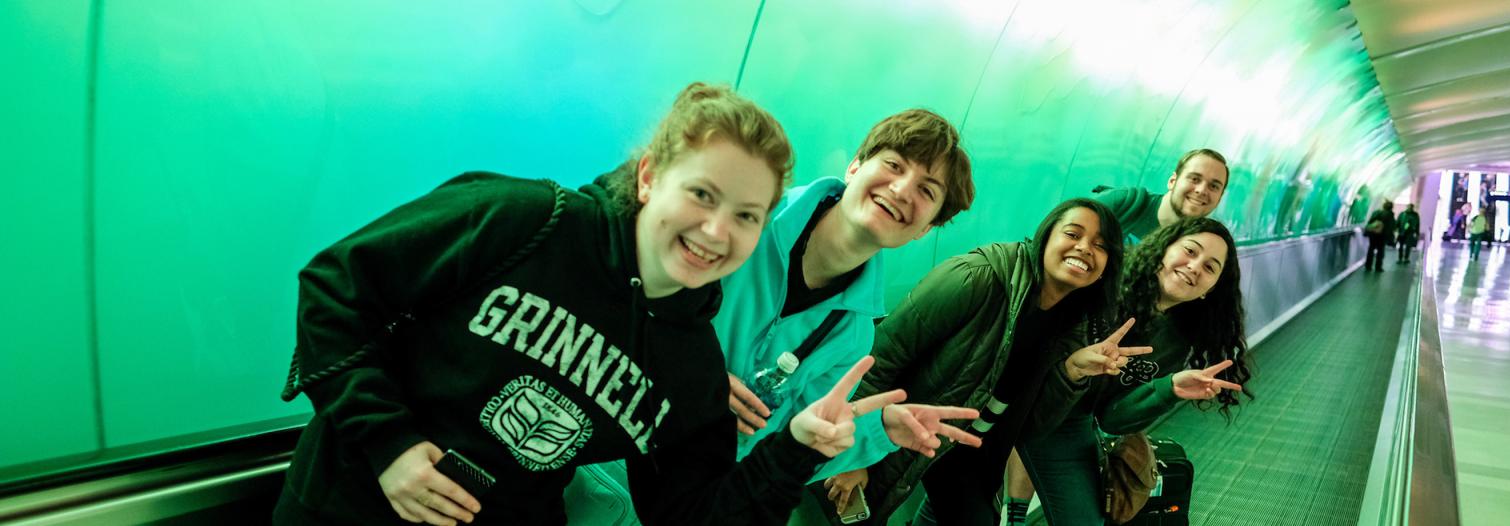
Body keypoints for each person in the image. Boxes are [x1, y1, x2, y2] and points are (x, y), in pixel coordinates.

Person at [273, 82, 908, 526]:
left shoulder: (690, 368)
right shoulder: (526, 222)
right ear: (649, 176)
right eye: (702, 194)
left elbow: (691, 515)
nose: (717, 232)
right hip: (345, 502)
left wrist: (795, 444)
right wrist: (387, 444)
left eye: (746, 215)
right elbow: (337, 288)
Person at [824, 199, 1154, 525]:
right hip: (901, 430)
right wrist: (854, 452)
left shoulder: (1076, 325)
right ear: (1045, 237)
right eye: (1073, 234)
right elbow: (880, 358)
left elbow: (1032, 427)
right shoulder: (979, 276)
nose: (1084, 248)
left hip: (973, 450)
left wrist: (1072, 372)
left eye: (1100, 245)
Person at [717, 109, 982, 474]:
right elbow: (631, 290)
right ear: (855, 167)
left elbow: (786, 455)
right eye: (894, 165)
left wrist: (878, 431)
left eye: (927, 190)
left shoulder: (852, 338)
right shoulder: (749, 213)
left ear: (926, 228)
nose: (902, 190)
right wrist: (693, 376)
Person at [1015, 217, 1251, 525]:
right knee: (963, 510)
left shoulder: (1176, 339)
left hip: (1066, 423)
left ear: (1211, 289)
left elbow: (1111, 417)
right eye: (1190, 251)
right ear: (1164, 250)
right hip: (1013, 399)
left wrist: (1168, 390)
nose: (1195, 267)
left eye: (1210, 267)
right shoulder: (1104, 282)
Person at [1092, 149, 1230, 245]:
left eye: (1214, 186)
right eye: (1194, 179)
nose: (1201, 190)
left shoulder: (1200, 248)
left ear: (1220, 197)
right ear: (1172, 181)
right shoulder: (1121, 204)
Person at [1364, 201, 1396, 272]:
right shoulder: (1390, 215)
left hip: (1373, 234)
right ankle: (1378, 267)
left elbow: (1370, 222)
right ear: (1391, 208)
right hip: (1382, 236)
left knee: (1371, 249)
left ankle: (1368, 265)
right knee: (1380, 251)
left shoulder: (1376, 212)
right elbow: (1391, 227)